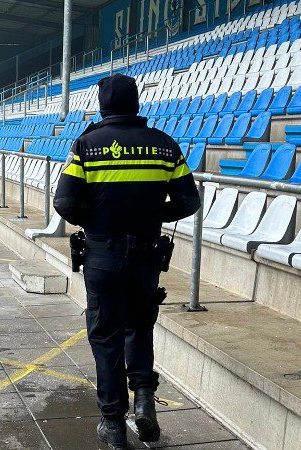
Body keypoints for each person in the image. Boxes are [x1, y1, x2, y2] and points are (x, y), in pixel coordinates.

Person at [53, 74, 201, 449]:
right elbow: (188, 202)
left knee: (106, 338)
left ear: (103, 106)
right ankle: (146, 405)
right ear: (136, 104)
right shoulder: (165, 146)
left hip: (102, 255)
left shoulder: (87, 145)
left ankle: (114, 424)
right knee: (140, 327)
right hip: (146, 258)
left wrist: (98, 219)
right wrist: (153, 215)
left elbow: (65, 203)